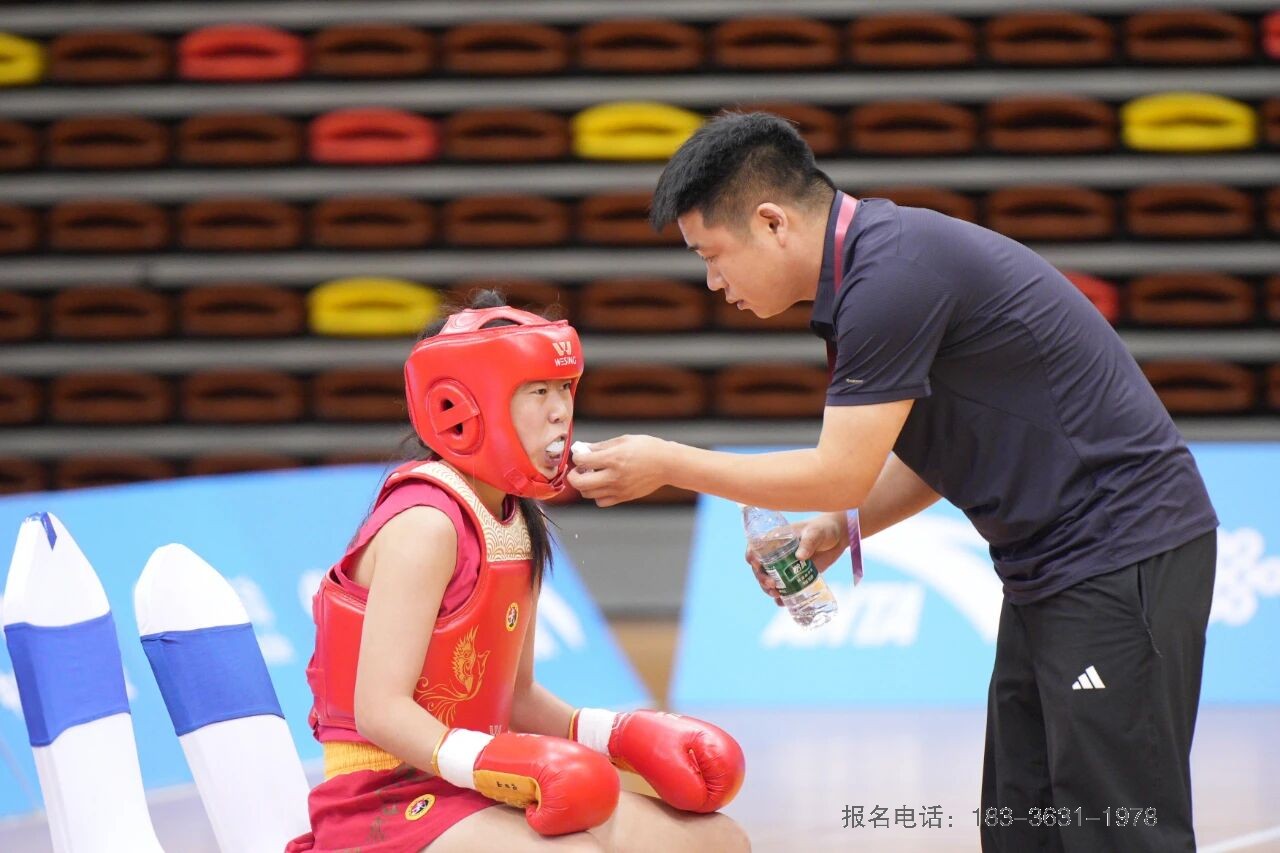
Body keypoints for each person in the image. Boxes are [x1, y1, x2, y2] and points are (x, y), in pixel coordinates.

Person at [567, 113, 1217, 853]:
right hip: (1053, 570)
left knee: (1114, 828)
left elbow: (839, 468)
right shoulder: (868, 273)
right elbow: (940, 450)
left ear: (771, 222)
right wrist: (838, 527)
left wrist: (669, 463)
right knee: (1023, 821)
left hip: (1119, 554)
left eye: (712, 255)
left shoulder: (891, 275)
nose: (714, 281)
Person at [288, 291, 750, 852]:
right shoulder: (425, 525)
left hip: (475, 777)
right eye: (538, 391)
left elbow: (517, 695)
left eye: (564, 388)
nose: (560, 410)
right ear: (462, 405)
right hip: (383, 796)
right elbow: (380, 711)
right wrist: (490, 761)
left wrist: (619, 734)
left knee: (716, 842)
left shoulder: (514, 519)